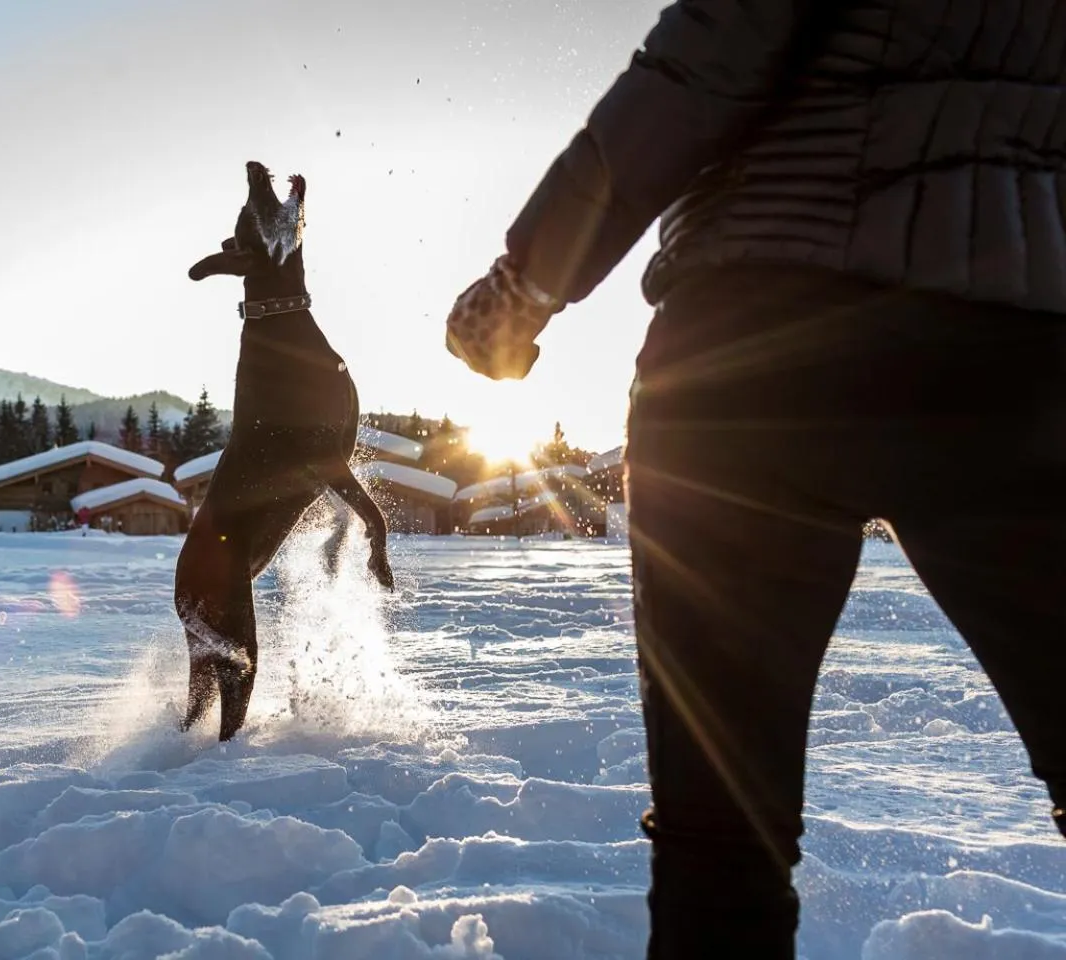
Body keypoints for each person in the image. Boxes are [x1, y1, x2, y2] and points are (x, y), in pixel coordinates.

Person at [444, 2, 1066, 956]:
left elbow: (706, 64)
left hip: (754, 351)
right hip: (1013, 352)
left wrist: (524, 286)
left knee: (722, 832)